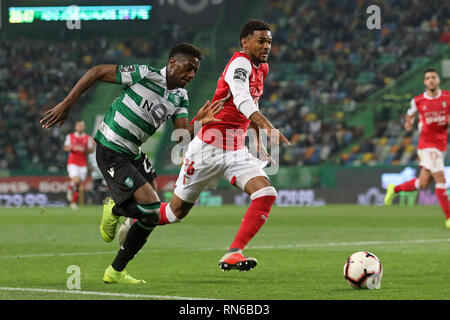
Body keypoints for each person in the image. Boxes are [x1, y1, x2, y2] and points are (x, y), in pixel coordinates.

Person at [40, 42, 223, 284]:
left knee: (150, 216)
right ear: (172, 63)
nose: (191, 75)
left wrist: (200, 122)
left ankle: (115, 271)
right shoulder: (144, 75)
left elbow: (180, 136)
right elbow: (95, 72)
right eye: (188, 68)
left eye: (195, 72)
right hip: (111, 147)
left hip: (133, 152)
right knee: (151, 206)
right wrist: (67, 104)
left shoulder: (181, 97)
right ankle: (115, 208)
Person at [119, 19, 291, 272]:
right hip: (208, 148)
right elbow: (243, 99)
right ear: (245, 41)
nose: (267, 46)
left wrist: (256, 136)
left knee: (265, 193)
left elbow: (246, 105)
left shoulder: (261, 68)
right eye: (261, 40)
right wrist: (266, 126)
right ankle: (135, 216)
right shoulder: (239, 64)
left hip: (235, 149)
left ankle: (234, 253)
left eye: (269, 41)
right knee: (175, 213)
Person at [384, 69, 450, 229]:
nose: (431, 80)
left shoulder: (448, 97)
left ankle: (395, 188)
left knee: (424, 183)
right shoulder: (418, 100)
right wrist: (408, 123)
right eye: (427, 78)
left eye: (433, 77)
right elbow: (410, 114)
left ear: (438, 80)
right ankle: (449, 218)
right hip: (427, 145)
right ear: (425, 82)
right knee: (441, 180)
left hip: (441, 145)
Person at [64, 120, 95, 210]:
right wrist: (71, 148)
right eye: (79, 126)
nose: (80, 127)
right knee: (76, 181)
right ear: (76, 127)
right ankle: (70, 189)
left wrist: (92, 146)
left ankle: (73, 202)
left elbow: (90, 151)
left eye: (82, 126)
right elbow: (65, 147)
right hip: (72, 162)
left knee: (78, 184)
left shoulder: (87, 137)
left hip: (83, 164)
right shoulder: (70, 136)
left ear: (84, 127)